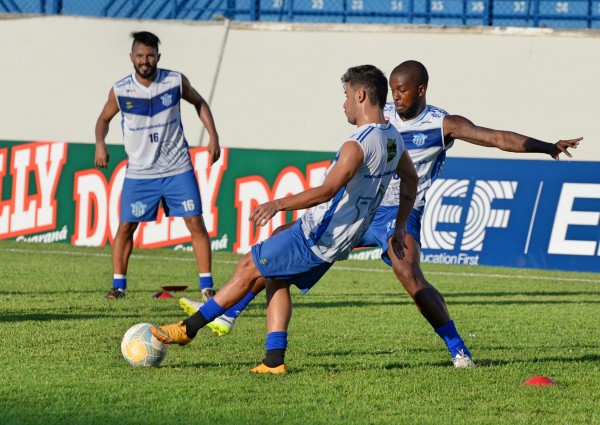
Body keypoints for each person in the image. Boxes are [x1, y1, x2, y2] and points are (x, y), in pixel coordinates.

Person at [178, 60, 582, 368]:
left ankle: (457, 348)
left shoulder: (443, 124)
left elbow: (497, 138)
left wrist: (546, 146)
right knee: (284, 242)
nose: (396, 97)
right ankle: (232, 314)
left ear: (421, 90)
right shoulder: (382, 121)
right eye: (392, 90)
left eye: (403, 91)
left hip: (399, 213)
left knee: (408, 274)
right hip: (362, 208)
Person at [150, 64, 419, 374]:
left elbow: (326, 192)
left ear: (360, 95)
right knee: (275, 277)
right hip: (339, 238)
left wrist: (277, 203)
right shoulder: (391, 138)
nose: (343, 103)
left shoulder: (356, 144)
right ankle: (274, 361)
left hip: (319, 234)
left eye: (346, 96)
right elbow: (410, 180)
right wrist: (399, 226)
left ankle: (188, 329)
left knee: (250, 266)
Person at [94, 31, 221, 301]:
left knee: (195, 222)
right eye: (140, 55)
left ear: (158, 57)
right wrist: (100, 144)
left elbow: (199, 102)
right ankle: (118, 287)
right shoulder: (120, 90)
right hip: (140, 172)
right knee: (126, 227)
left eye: (150, 55)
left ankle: (207, 287)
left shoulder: (175, 81)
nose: (145, 60)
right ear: (132, 57)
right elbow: (103, 119)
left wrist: (213, 137)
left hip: (177, 168)